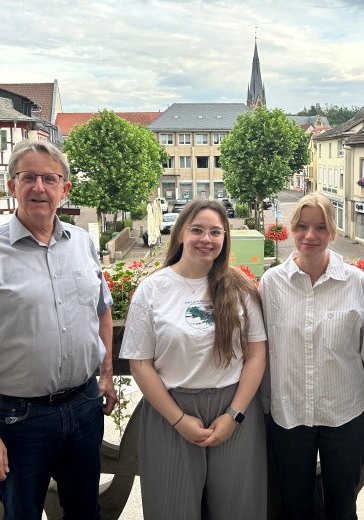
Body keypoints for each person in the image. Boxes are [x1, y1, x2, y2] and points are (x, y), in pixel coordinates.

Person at [0, 140, 116, 519]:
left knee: (86, 512)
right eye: (28, 177)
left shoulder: (83, 243)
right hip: (18, 420)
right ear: (11, 186)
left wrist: (106, 376)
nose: (39, 187)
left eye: (49, 178)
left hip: (85, 407)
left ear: (64, 189)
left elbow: (102, 309)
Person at [120, 199, 267, 519]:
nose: (207, 238)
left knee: (238, 510)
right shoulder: (152, 290)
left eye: (216, 232)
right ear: (181, 233)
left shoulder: (241, 288)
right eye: (197, 229)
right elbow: (140, 364)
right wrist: (178, 419)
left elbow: (256, 356)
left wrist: (234, 415)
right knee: (172, 509)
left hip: (234, 410)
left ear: (225, 239)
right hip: (169, 412)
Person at [260, 193, 364, 520]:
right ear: (291, 229)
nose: (310, 235)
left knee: (342, 508)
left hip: (345, 415)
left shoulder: (355, 281)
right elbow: (264, 351)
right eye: (302, 226)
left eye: (319, 227)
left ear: (333, 232)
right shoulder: (271, 283)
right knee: (293, 507)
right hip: (289, 415)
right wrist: (265, 406)